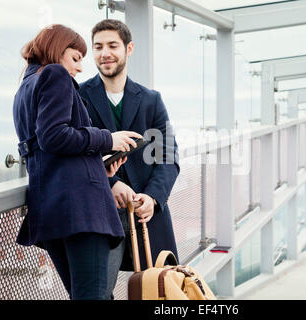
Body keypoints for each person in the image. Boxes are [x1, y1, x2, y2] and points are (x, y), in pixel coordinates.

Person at [12, 24, 143, 300]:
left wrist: (99, 166)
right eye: (75, 57)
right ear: (56, 50)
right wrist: (108, 139)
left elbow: (45, 148)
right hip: (81, 210)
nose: (80, 68)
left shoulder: (25, 86)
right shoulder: (55, 74)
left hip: (51, 208)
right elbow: (54, 136)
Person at [78, 19, 180, 299]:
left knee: (160, 291)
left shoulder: (151, 100)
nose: (104, 53)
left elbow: (168, 156)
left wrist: (153, 197)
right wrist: (110, 184)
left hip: (147, 214)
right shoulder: (79, 97)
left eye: (112, 45)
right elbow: (74, 155)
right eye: (98, 47)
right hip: (100, 211)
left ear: (129, 48)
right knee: (98, 292)